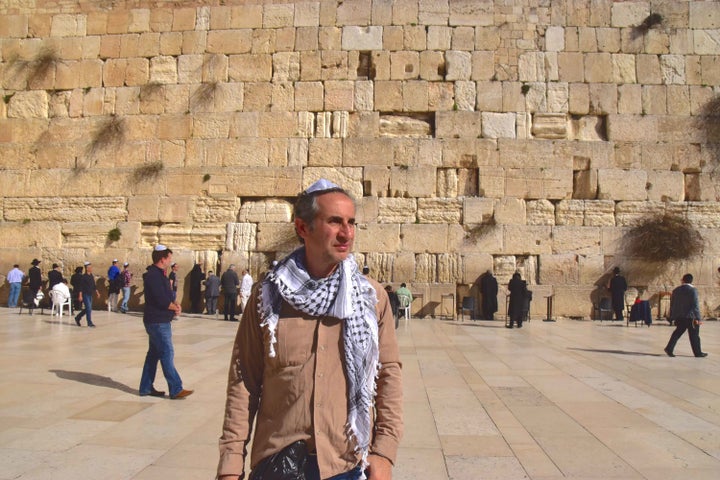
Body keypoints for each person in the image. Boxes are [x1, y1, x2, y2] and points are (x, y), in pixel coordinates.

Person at [217, 179, 403, 480]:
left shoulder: (370, 298)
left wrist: (384, 452)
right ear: (303, 228)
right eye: (334, 222)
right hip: (277, 462)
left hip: (346, 463)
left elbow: (389, 375)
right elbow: (244, 380)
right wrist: (230, 462)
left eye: (351, 223)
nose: (347, 233)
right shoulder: (267, 296)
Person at [139, 244, 194, 399]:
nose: (171, 261)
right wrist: (173, 308)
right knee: (166, 353)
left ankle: (145, 387)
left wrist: (175, 303)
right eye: (169, 258)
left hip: (158, 320)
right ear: (162, 259)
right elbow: (160, 299)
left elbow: (167, 295)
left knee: (154, 355)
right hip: (157, 322)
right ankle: (176, 388)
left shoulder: (160, 274)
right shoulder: (153, 276)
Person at [664, 273, 708, 358]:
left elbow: (673, 304)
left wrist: (673, 316)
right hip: (691, 317)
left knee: (677, 333)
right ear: (691, 281)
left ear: (683, 280)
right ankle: (698, 353)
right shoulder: (693, 290)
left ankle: (669, 348)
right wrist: (698, 318)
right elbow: (695, 305)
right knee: (694, 335)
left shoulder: (676, 290)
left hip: (680, 316)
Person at [74, 261, 100, 327]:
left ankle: (78, 317)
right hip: (85, 294)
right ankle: (89, 322)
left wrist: (97, 292)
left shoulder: (91, 276)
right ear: (87, 268)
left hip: (90, 294)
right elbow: (80, 287)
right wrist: (80, 295)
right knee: (88, 308)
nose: (91, 268)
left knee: (88, 308)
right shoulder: (83, 277)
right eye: (90, 267)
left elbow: (93, 285)